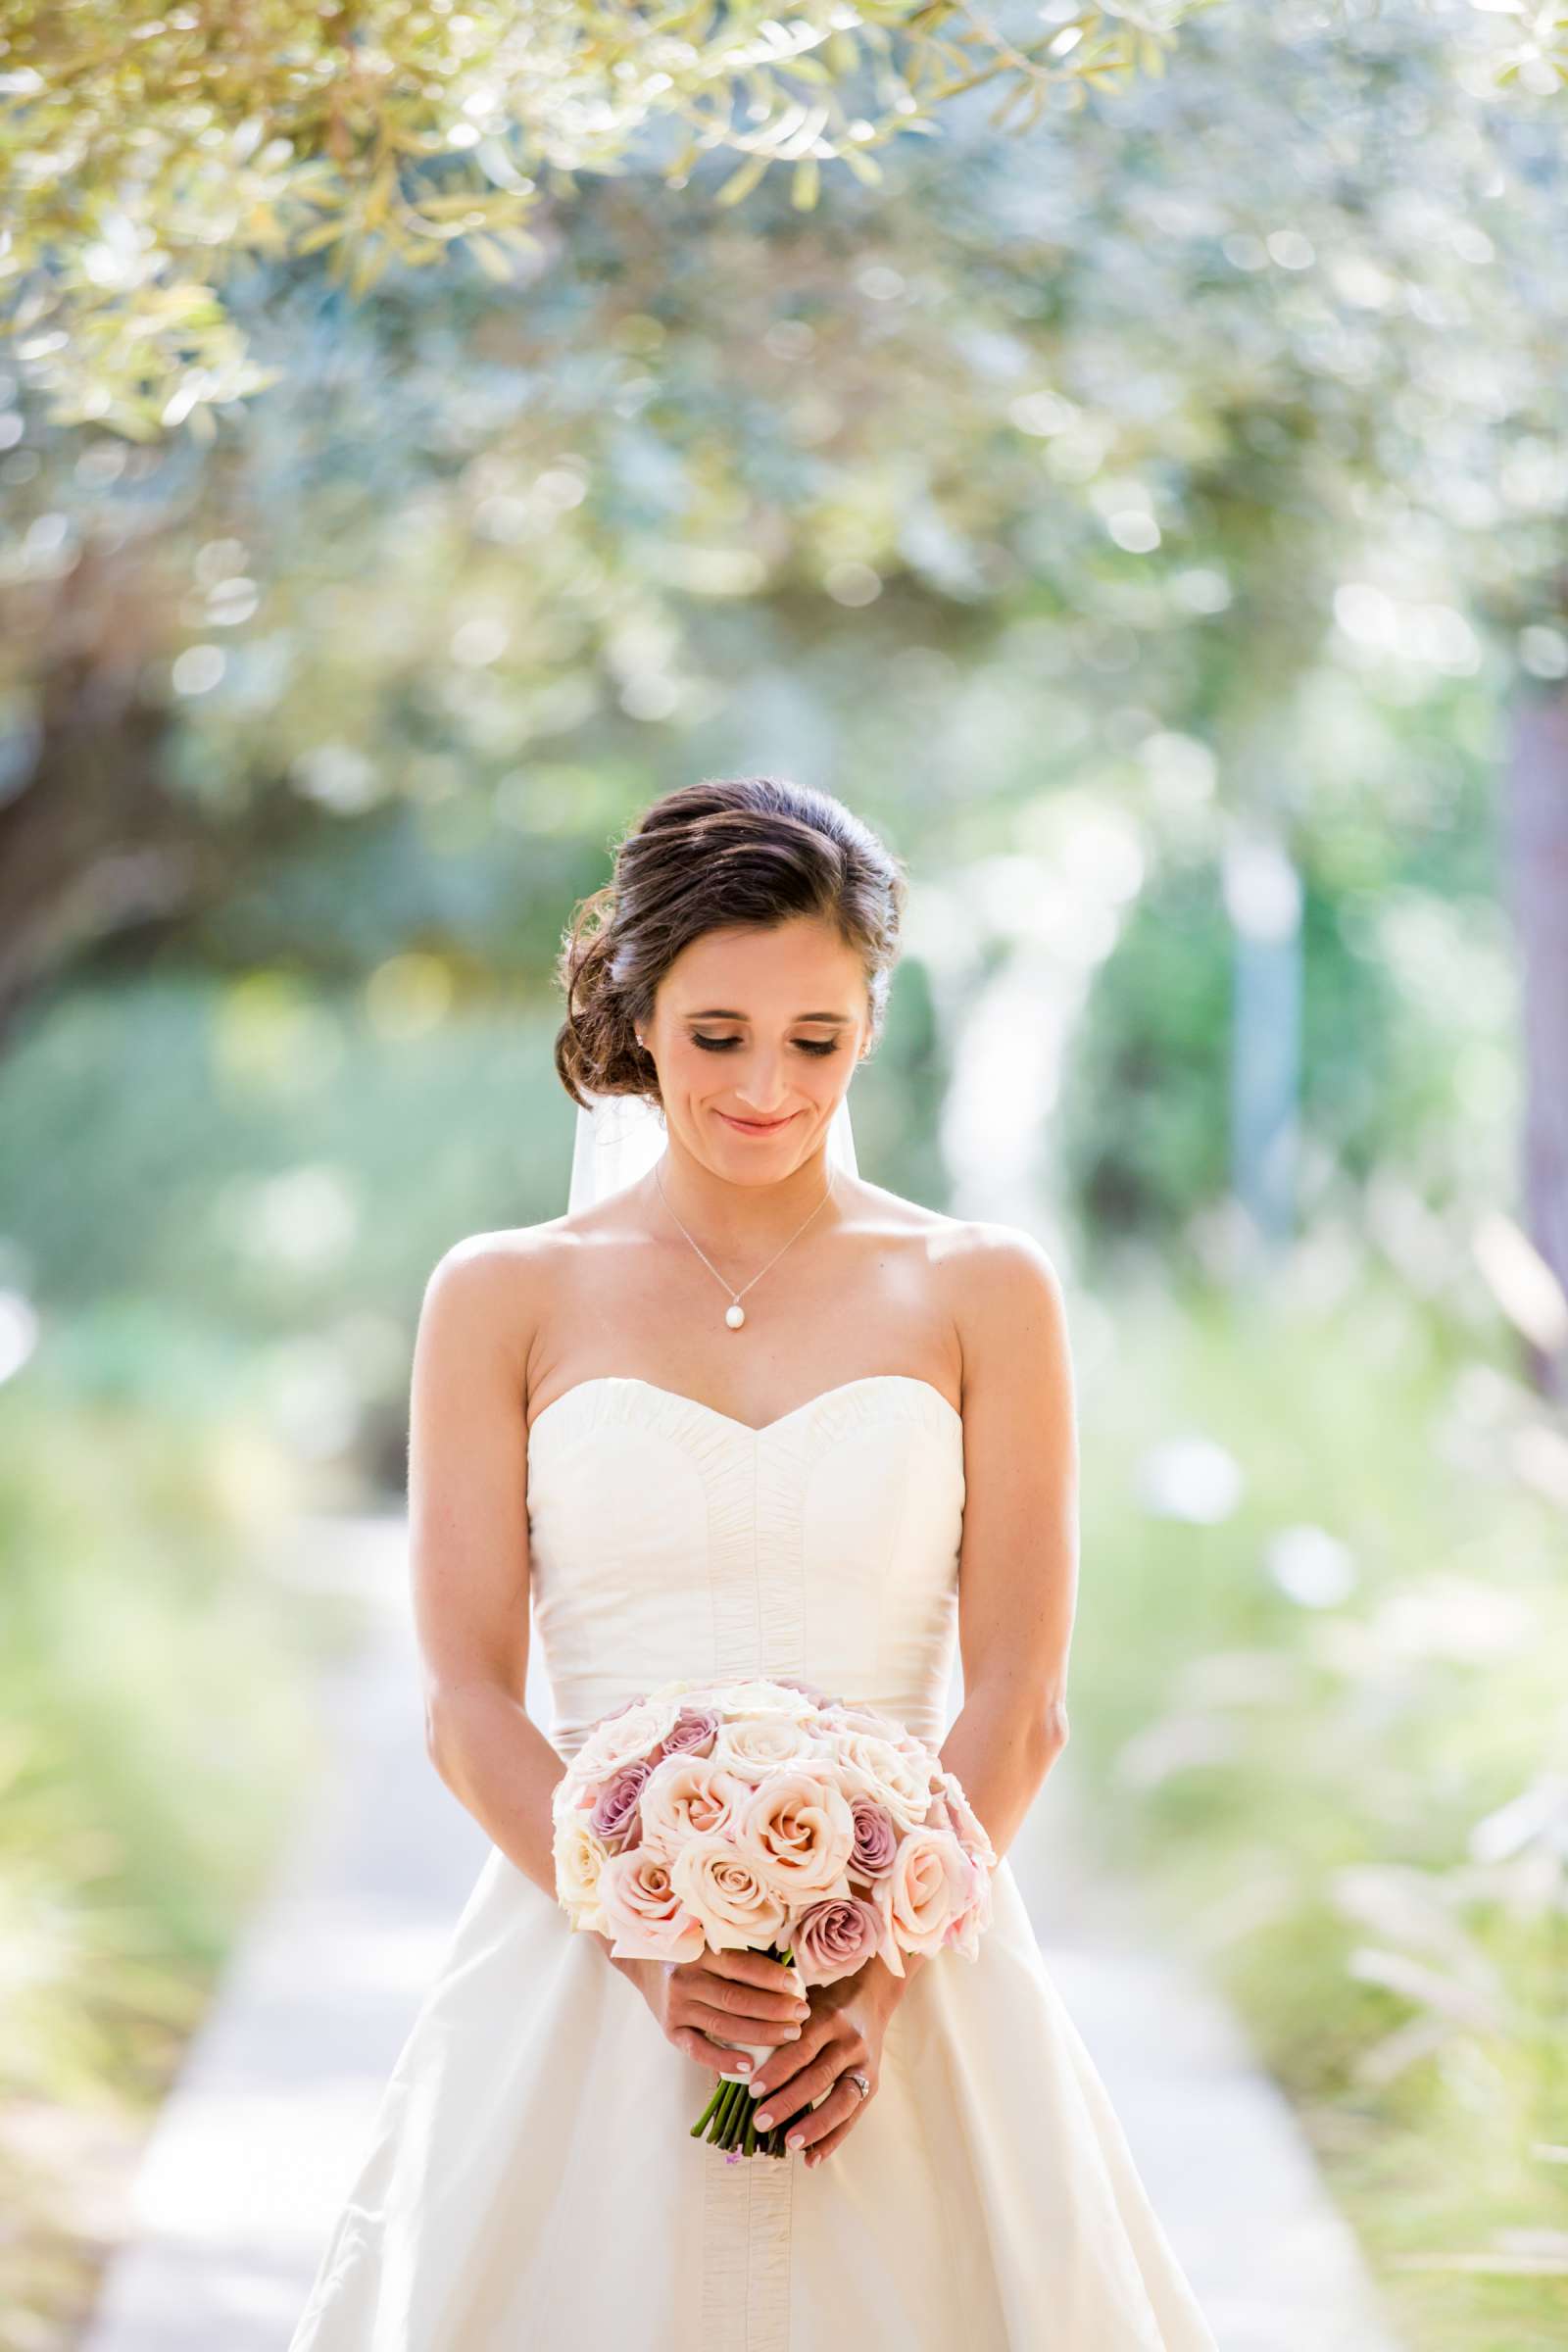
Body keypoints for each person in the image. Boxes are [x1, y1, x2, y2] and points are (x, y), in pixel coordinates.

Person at [288, 773, 1218, 2348]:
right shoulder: (503, 1294)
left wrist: (879, 1977)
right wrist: (646, 1940)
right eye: (718, 1037)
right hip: (581, 1954)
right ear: (635, 1015)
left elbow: (1019, 1695)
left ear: (870, 1023)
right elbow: (465, 1700)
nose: (768, 1088)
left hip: (911, 1975)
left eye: (818, 1038)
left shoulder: (983, 1289)